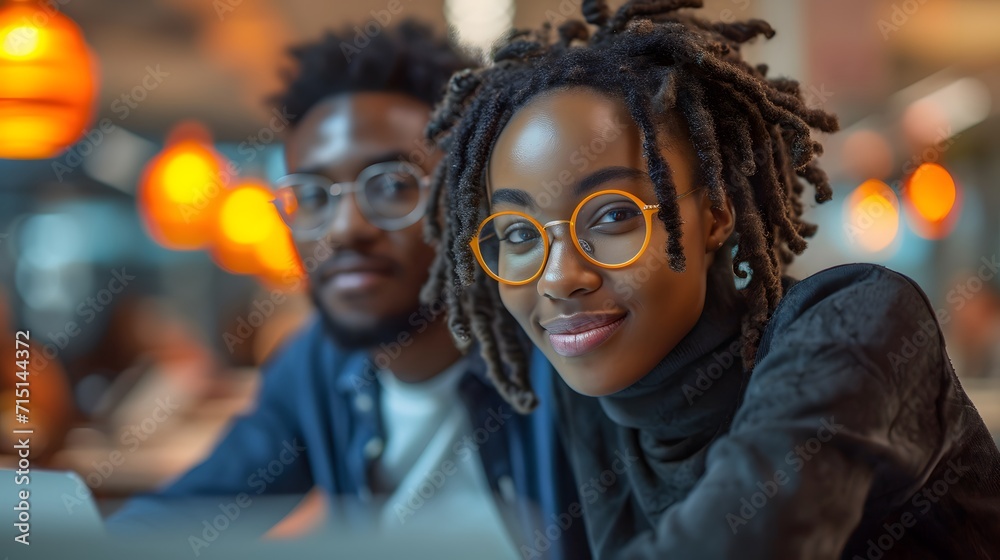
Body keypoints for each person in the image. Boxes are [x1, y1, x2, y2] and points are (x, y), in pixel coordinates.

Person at [423, 1, 1000, 558]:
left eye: (614, 215)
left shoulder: (860, 322)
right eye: (520, 234)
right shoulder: (585, 402)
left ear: (718, 214)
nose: (560, 277)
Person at [109, 21, 588, 559]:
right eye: (312, 196)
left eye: (391, 185)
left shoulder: (569, 346)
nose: (343, 228)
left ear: (469, 198)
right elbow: (179, 519)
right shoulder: (316, 367)